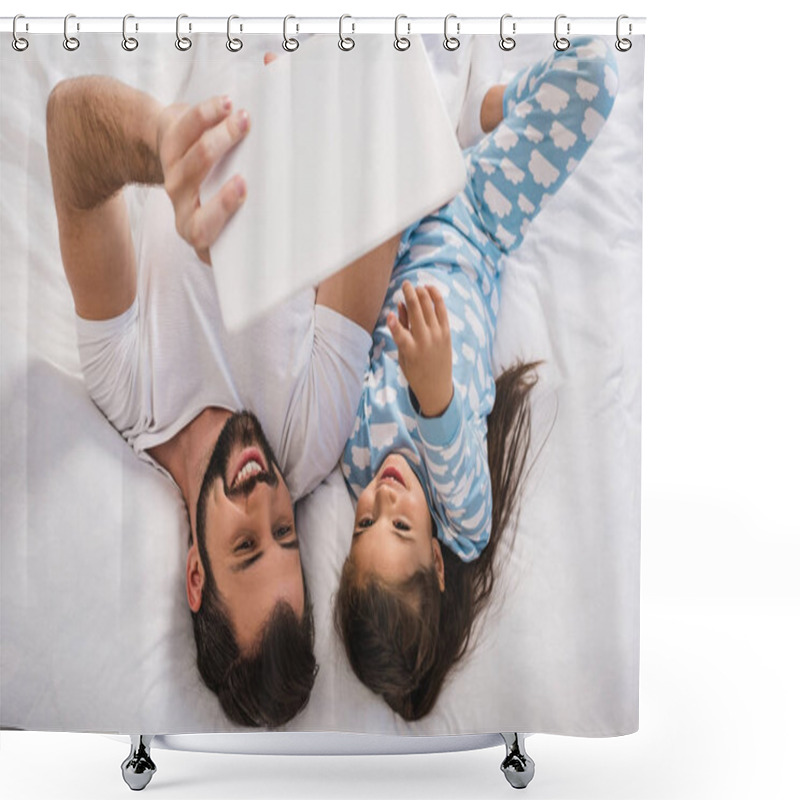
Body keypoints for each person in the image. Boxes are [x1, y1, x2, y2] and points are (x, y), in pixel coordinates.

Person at [46, 74, 403, 727]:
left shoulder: (128, 389)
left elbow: (70, 128)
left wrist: (165, 144)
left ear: (194, 575)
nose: (267, 495)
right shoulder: (311, 438)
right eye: (286, 533)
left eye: (246, 545)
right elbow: (389, 181)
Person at [334, 37, 618, 720]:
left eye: (363, 523)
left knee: (364, 69)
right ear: (436, 560)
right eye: (398, 527)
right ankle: (491, 109)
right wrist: (433, 394)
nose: (383, 498)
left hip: (397, 223)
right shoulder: (462, 523)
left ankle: (478, 111)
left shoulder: (352, 463)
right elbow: (456, 456)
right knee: (596, 79)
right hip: (477, 220)